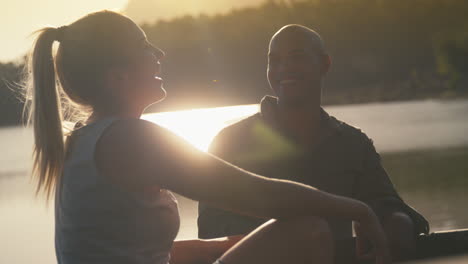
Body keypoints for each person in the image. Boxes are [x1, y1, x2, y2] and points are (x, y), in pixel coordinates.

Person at [24, 11, 390, 264]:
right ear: (117, 77)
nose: (159, 54)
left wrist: (218, 246)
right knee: (309, 230)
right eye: (145, 47)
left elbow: (127, 251)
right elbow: (263, 196)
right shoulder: (130, 139)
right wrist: (358, 209)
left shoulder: (87, 139)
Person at [198, 24, 429, 262]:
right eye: (274, 61)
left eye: (296, 58)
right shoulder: (230, 142)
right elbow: (211, 231)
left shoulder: (352, 143)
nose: (283, 69)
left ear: (324, 65)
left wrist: (397, 222)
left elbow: (384, 202)